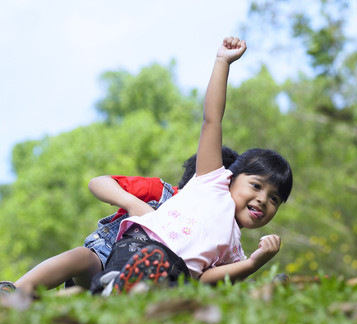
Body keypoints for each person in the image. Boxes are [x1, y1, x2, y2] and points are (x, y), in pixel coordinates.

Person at [90, 36, 293, 294]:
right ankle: (117, 286)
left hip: (180, 277)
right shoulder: (212, 183)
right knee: (145, 262)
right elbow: (212, 120)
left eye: (274, 198)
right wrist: (223, 62)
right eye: (256, 186)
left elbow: (207, 279)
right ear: (230, 178)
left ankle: (135, 293)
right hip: (144, 245)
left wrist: (254, 262)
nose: (263, 199)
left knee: (188, 292)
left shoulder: (235, 250)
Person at [0, 147, 239, 295]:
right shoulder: (162, 192)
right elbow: (98, 182)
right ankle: (16, 289)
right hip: (102, 263)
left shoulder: (217, 231)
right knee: (81, 256)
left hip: (152, 282)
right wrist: (134, 204)